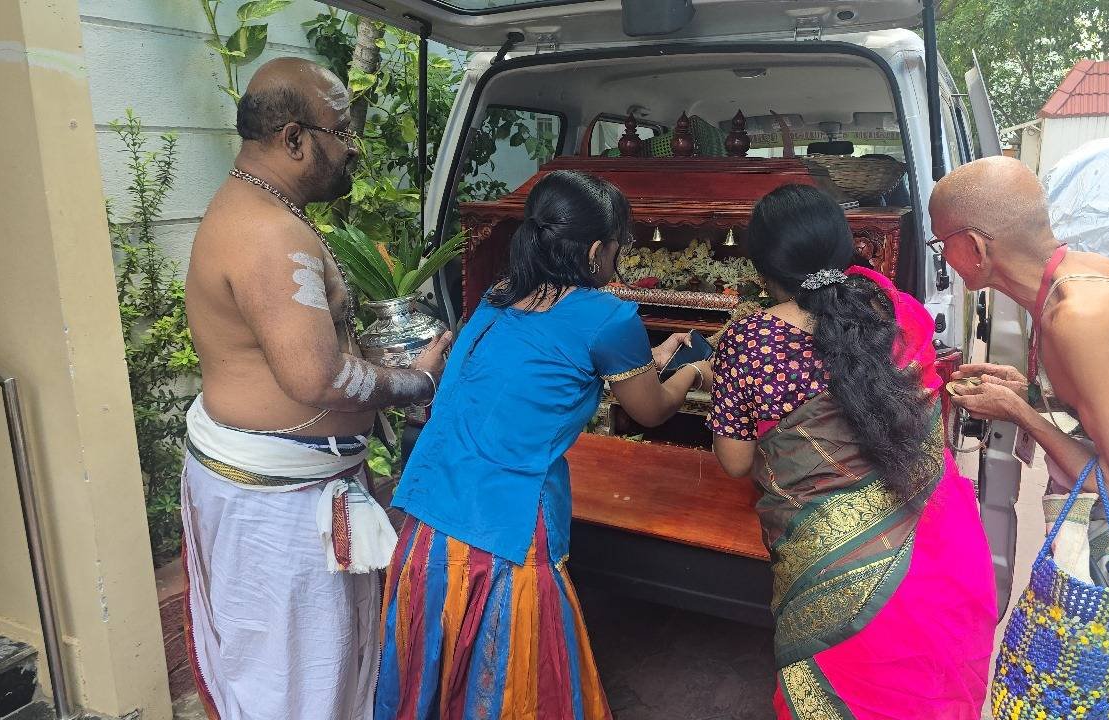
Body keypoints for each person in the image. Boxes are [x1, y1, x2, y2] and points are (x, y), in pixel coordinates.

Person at [374, 170, 712, 719]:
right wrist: (691, 371)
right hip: (502, 537)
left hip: (426, 522)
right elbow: (649, 410)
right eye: (619, 246)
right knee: (511, 686)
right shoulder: (610, 315)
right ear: (598, 249)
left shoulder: (498, 297)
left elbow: (544, 366)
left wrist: (651, 358)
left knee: (433, 682)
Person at [181, 57, 451, 720]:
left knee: (307, 669)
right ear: (297, 139)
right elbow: (317, 377)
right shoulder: (271, 235)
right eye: (344, 133)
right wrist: (417, 378)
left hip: (280, 489)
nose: (353, 150)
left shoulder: (258, 207)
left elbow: (308, 349)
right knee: (295, 683)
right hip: (276, 509)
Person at [930, 156, 1109, 719]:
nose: (944, 260)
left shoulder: (1074, 317)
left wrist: (1024, 415)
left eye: (943, 245)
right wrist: (1037, 395)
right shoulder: (1089, 271)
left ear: (977, 249)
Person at [707, 184, 998, 719]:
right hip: (936, 551)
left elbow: (735, 461)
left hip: (831, 575)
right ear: (845, 247)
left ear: (762, 266)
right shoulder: (898, 312)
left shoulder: (750, 340)